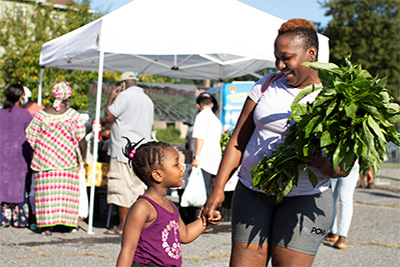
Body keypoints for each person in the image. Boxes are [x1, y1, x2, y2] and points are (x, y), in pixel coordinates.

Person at [201, 18, 345, 266]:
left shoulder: (336, 98)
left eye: (286, 57)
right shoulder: (266, 85)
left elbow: (342, 168)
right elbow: (237, 141)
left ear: (311, 54)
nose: (279, 65)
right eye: (276, 57)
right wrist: (218, 188)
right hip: (252, 192)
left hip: (305, 199)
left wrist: (316, 159)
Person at [116, 138, 221, 266]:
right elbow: (127, 250)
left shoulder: (170, 206)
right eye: (176, 164)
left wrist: (205, 220)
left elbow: (185, 235)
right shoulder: (142, 207)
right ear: (157, 175)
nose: (182, 167)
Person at [26, 82, 86, 236]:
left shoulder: (41, 115)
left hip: (44, 162)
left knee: (46, 195)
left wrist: (42, 151)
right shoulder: (73, 115)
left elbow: (31, 137)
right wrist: (83, 159)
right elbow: (81, 138)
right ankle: (66, 225)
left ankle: (46, 227)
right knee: (65, 195)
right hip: (67, 161)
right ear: (68, 97)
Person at [104, 71, 154, 235]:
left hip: (123, 149)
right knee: (137, 188)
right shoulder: (147, 100)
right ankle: (138, 225)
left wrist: (111, 98)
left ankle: (124, 225)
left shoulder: (124, 97)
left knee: (122, 187)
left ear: (123, 84)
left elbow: (109, 117)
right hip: (141, 150)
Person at [0, 84, 32, 228]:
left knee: (3, 183)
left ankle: (3, 218)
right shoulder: (25, 114)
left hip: (2, 154)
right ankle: (19, 218)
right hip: (20, 154)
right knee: (19, 184)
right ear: (21, 97)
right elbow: (31, 135)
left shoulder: (0, 113)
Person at [191, 93, 223, 198]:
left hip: (204, 160)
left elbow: (200, 138)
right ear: (212, 104)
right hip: (216, 160)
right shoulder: (216, 120)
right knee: (211, 193)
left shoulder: (201, 116)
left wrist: (196, 157)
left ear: (198, 105)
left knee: (201, 194)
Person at [325, 163, 360, 250]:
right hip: (352, 162)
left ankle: (333, 233)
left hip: (334, 162)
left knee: (331, 198)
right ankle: (342, 238)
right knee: (346, 200)